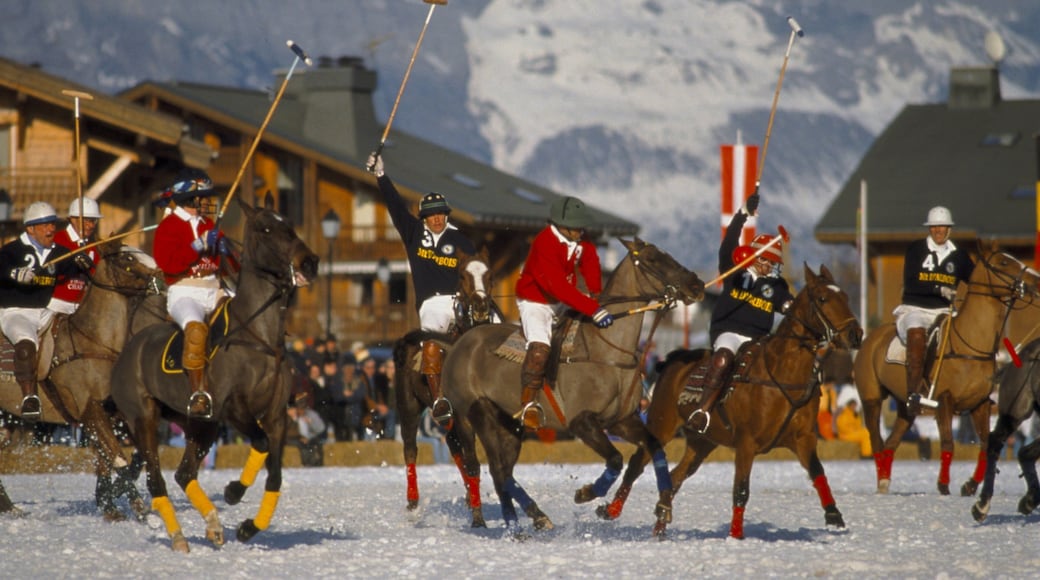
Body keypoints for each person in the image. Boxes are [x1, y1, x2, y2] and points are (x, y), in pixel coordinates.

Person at [366, 152, 476, 427]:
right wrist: (381, 175)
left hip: (459, 301)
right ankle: (439, 400)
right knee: (431, 346)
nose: (436, 219)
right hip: (431, 304)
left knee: (489, 334)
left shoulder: (460, 239)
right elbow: (395, 206)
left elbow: (476, 269)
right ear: (423, 217)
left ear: (446, 215)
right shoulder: (414, 233)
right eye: (430, 215)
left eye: (439, 213)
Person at [689, 193, 793, 433]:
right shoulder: (735, 271)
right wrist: (742, 214)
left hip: (759, 339)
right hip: (730, 331)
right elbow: (729, 243)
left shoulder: (776, 286)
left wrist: (790, 306)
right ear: (756, 257)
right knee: (724, 358)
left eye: (773, 263)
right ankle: (703, 411)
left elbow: (787, 304)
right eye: (766, 261)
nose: (770, 267)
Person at [514, 195, 613, 429]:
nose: (581, 230)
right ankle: (529, 404)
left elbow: (591, 262)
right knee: (540, 348)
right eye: (577, 227)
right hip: (535, 301)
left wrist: (596, 294)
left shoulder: (581, 239)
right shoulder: (544, 242)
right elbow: (555, 286)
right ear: (561, 225)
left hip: (563, 298)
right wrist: (591, 307)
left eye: (582, 226)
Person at [0, 201, 92, 420]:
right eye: (44, 225)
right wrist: (14, 275)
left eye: (52, 224)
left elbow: (76, 268)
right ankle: (29, 398)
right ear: (30, 229)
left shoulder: (59, 252)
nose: (51, 229)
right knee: (26, 344)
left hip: (45, 310)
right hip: (15, 311)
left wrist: (82, 261)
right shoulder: (11, 250)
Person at [152, 168, 225, 418]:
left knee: (246, 315)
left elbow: (226, 265)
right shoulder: (168, 227)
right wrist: (197, 246)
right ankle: (198, 393)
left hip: (213, 288)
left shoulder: (209, 224)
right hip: (184, 292)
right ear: (188, 199)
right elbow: (169, 265)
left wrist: (227, 251)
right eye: (202, 197)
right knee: (195, 330)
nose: (206, 202)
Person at [893, 205, 973, 416]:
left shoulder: (960, 256)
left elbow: (976, 281)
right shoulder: (916, 249)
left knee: (967, 337)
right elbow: (910, 283)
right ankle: (913, 393)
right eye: (934, 226)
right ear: (929, 229)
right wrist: (938, 288)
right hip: (916, 309)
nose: (938, 230)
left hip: (945, 312)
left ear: (949, 229)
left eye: (942, 226)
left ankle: (973, 390)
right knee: (918, 334)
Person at [47, 198, 102, 315]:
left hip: (80, 307)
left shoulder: (93, 246)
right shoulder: (57, 240)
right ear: (72, 219)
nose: (91, 225)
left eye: (94, 221)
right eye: (87, 220)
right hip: (55, 304)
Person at [287, 394, 327, 467]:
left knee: (316, 442)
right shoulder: (289, 417)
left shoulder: (311, 414)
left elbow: (321, 428)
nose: (301, 411)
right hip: (292, 438)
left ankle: (318, 462)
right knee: (303, 444)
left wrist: (311, 424)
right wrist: (300, 436)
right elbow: (288, 432)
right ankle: (307, 463)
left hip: (308, 437)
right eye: (299, 409)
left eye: (303, 409)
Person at [835, 388, 872, 459]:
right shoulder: (844, 414)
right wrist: (855, 431)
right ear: (849, 406)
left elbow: (859, 426)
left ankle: (868, 453)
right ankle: (866, 455)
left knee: (867, 433)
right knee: (865, 434)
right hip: (845, 435)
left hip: (853, 433)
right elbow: (842, 428)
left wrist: (857, 431)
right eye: (853, 405)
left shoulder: (855, 415)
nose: (854, 407)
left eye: (855, 405)